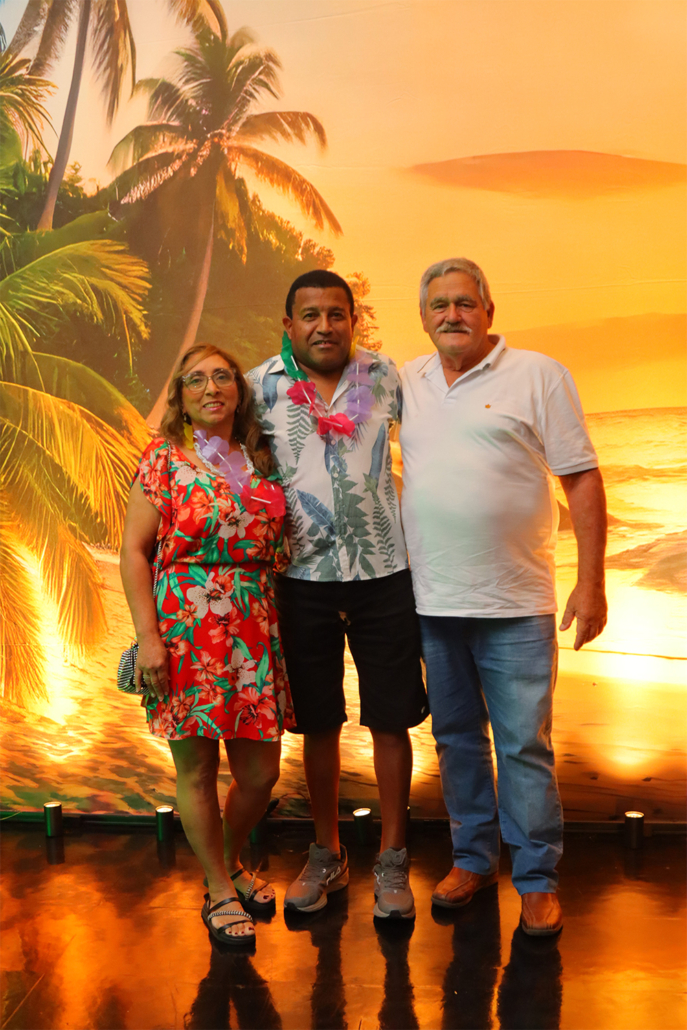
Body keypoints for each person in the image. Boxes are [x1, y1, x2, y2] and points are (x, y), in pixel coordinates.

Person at [400, 258, 607, 935]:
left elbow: (580, 478)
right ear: (422, 316)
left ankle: (537, 879)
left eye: (464, 302)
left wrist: (591, 582)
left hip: (517, 604)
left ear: (489, 310)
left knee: (523, 747)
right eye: (438, 305)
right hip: (433, 603)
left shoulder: (538, 374)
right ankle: (471, 860)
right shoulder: (407, 382)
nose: (451, 314)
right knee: (455, 740)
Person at [248, 270, 427, 920]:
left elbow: (431, 452)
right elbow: (229, 467)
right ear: (288, 324)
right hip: (301, 582)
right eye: (310, 315)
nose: (324, 326)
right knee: (318, 723)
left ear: (353, 319)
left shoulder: (385, 376)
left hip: (385, 574)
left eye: (335, 314)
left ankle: (393, 858)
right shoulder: (257, 387)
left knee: (391, 720)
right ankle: (326, 852)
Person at [120, 343, 294, 946]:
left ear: (239, 392)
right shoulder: (165, 458)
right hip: (185, 628)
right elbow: (133, 552)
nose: (211, 388)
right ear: (181, 398)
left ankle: (229, 859)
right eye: (195, 380)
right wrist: (148, 639)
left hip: (253, 627)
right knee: (196, 769)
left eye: (222, 377)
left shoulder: (262, 458)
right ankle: (220, 885)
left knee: (261, 774)